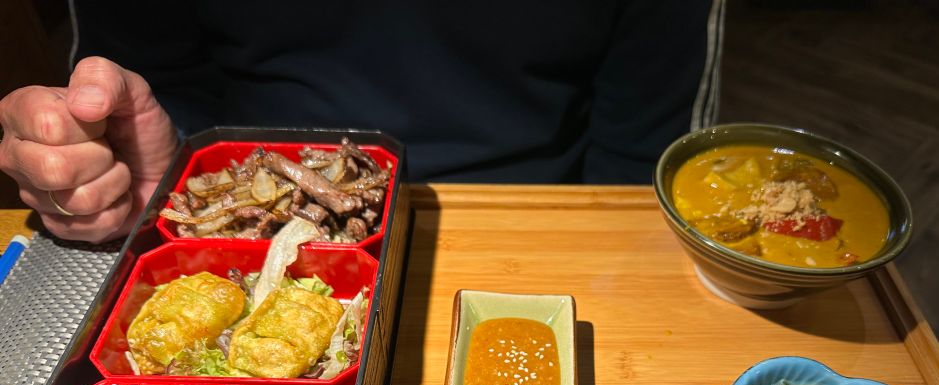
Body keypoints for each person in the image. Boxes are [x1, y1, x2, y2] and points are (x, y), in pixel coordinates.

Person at [0, 1, 723, 243]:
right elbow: (152, 77)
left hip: (535, 223)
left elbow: (646, 159)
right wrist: (146, 176)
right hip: (241, 214)